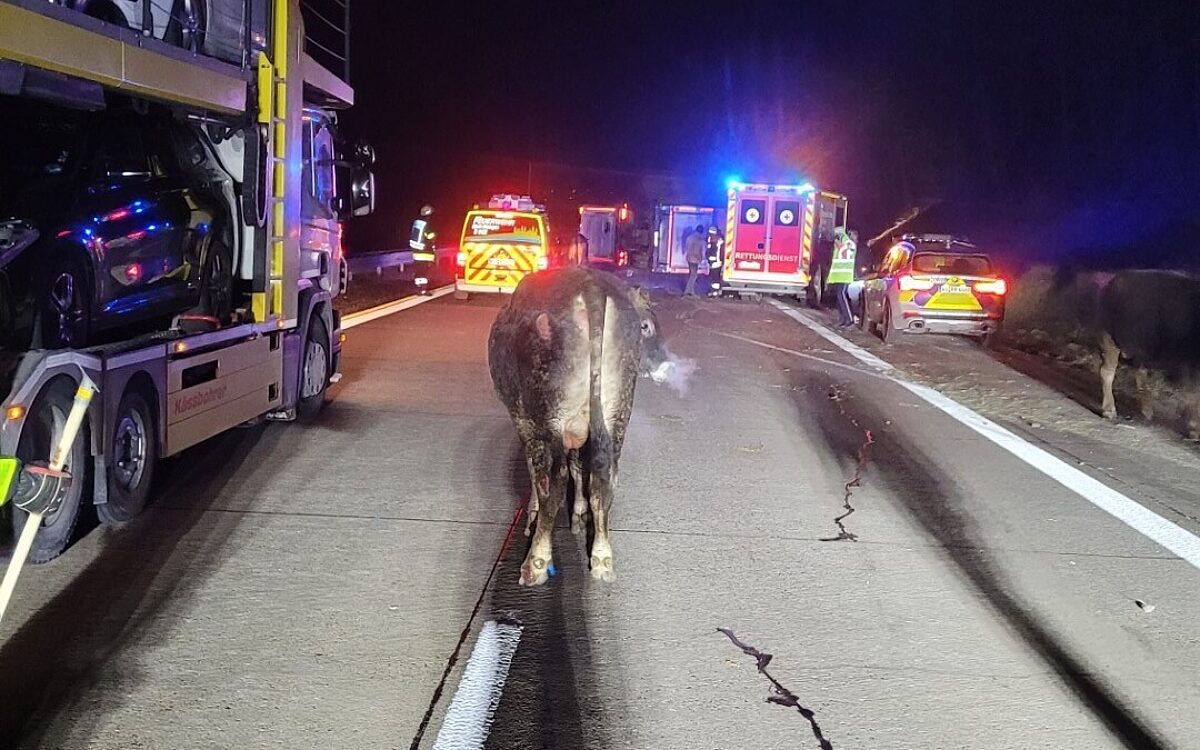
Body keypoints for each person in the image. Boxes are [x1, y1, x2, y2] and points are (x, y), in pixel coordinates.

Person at [828, 226, 859, 327]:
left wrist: (839, 245)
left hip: (845, 276)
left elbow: (846, 253)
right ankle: (842, 319)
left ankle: (849, 319)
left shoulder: (849, 244)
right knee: (839, 297)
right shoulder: (843, 243)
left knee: (842, 296)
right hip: (839, 276)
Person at [409, 204, 436, 295]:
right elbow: (430, 236)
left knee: (418, 271)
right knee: (425, 272)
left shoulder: (417, 223)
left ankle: (418, 289)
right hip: (425, 252)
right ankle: (424, 290)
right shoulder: (427, 224)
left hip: (416, 251)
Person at [683, 224, 706, 297]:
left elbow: (686, 247)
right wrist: (703, 259)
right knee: (694, 275)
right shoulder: (700, 239)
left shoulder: (690, 237)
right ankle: (688, 291)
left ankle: (691, 291)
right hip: (696, 259)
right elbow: (703, 250)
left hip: (689, 258)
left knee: (692, 274)